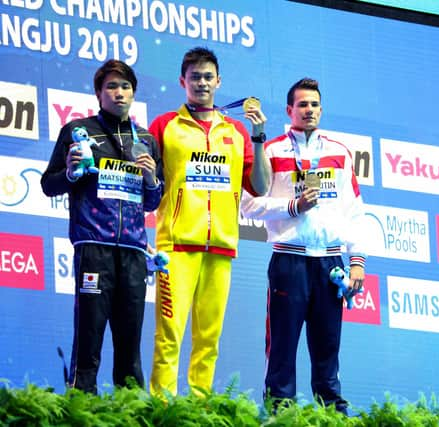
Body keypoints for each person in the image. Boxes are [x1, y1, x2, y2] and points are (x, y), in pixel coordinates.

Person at [241, 77, 367, 415]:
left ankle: (333, 418)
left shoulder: (339, 153)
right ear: (289, 110)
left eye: (313, 105)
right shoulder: (271, 150)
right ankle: (281, 416)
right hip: (289, 262)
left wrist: (357, 262)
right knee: (282, 348)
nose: (308, 110)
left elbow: (354, 211)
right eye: (302, 105)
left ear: (321, 110)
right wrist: (291, 207)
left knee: (328, 349)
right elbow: (248, 205)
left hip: (330, 265)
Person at [148, 47, 269, 396]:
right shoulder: (165, 125)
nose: (202, 83)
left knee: (209, 340)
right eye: (195, 77)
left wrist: (258, 136)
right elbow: (150, 182)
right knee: (168, 336)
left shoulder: (236, 132)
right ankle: (163, 411)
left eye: (207, 76)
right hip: (176, 247)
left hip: (220, 248)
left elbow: (259, 187)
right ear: (182, 81)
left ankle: (199, 411)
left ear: (219, 81)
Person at [41, 59, 163, 394]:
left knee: (130, 347)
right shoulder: (78, 131)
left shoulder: (147, 141)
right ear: (99, 93)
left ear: (134, 93)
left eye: (125, 86)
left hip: (135, 254)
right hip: (94, 249)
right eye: (111, 86)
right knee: (89, 338)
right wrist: (70, 173)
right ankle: (83, 407)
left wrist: (151, 178)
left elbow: (152, 201)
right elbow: (48, 185)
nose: (119, 93)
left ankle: (130, 411)